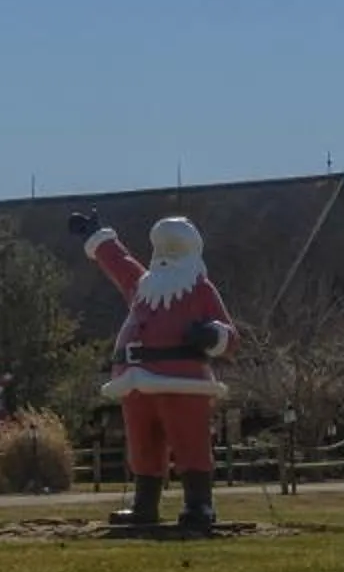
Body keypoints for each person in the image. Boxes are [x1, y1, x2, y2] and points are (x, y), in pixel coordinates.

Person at [71, 208, 236, 532]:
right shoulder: (143, 289)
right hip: (134, 380)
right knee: (143, 443)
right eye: (161, 249)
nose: (165, 257)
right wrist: (98, 236)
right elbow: (121, 265)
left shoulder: (201, 291)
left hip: (181, 380)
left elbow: (230, 336)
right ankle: (144, 504)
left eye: (174, 249)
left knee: (189, 441)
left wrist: (212, 335)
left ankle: (198, 503)